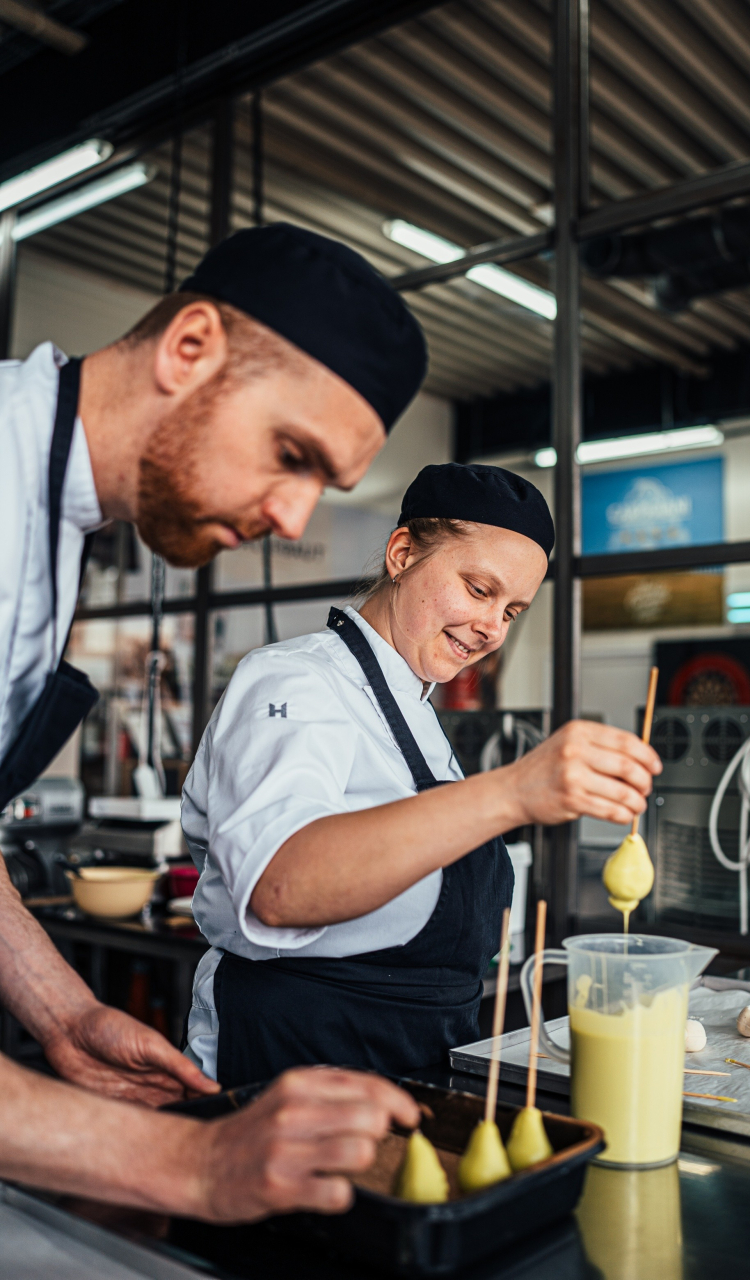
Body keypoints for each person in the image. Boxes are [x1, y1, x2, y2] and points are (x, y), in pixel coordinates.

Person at [0, 222, 426, 1215]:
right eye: (291, 453)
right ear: (188, 345)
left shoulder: (55, 519)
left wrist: (64, 1013)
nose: (295, 519)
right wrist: (186, 1164)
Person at [182, 463, 662, 1089]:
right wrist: (514, 791)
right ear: (402, 554)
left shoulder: (415, 708)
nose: (492, 627)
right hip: (294, 1061)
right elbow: (279, 888)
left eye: (513, 610)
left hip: (416, 1059)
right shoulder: (296, 681)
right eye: (478, 589)